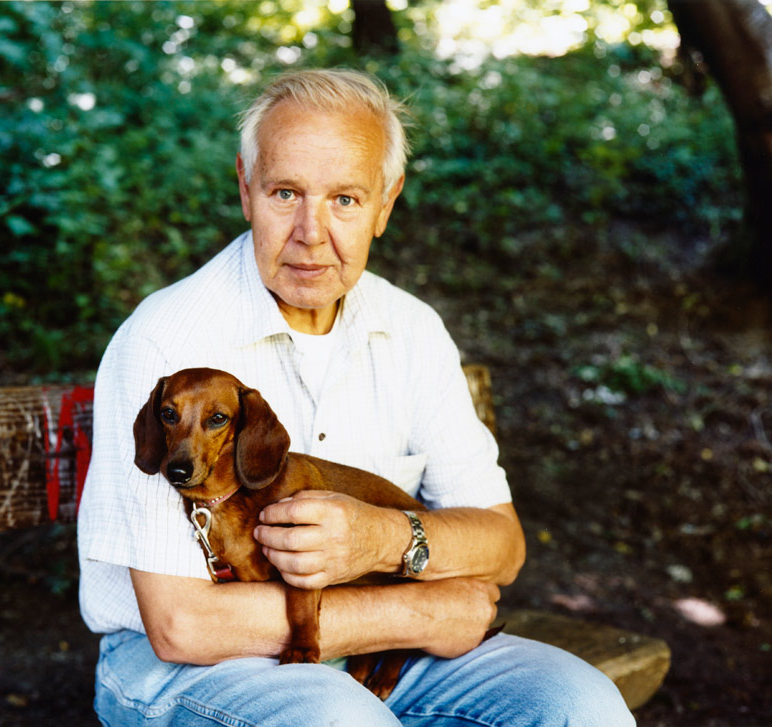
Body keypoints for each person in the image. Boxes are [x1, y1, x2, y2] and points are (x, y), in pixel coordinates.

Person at [77, 68, 635, 727]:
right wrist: (419, 609)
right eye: (286, 192)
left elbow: (501, 545)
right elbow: (182, 625)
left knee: (582, 706)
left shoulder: (412, 329)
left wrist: (382, 539)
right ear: (245, 190)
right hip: (188, 667)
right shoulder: (166, 343)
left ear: (385, 204)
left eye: (345, 199)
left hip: (379, 650)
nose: (312, 231)